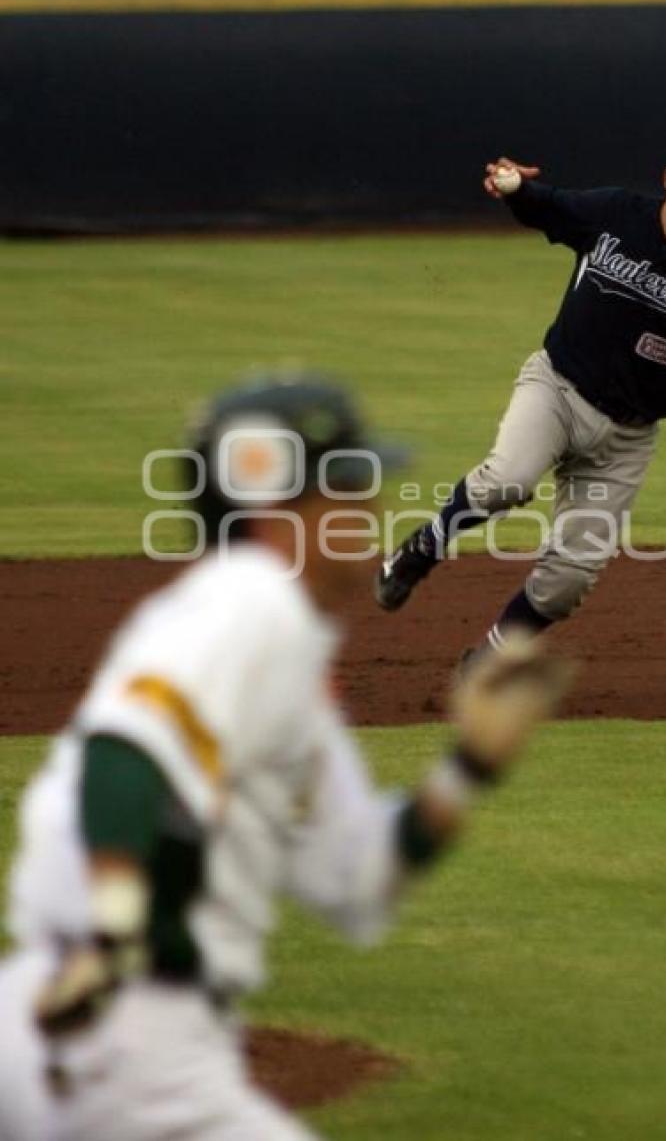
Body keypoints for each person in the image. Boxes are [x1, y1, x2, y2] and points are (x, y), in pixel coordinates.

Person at [0, 373, 567, 1141]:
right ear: (279, 514)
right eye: (349, 489)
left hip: (73, 1022)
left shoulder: (282, 660)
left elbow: (359, 878)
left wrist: (466, 765)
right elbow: (125, 751)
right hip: (128, 1040)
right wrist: (113, 928)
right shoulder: (249, 604)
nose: (370, 514)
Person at [375, 131, 666, 659]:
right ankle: (422, 549)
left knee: (568, 582)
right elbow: (547, 206)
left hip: (627, 440)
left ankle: (489, 658)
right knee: (506, 482)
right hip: (556, 390)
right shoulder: (616, 214)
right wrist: (513, 188)